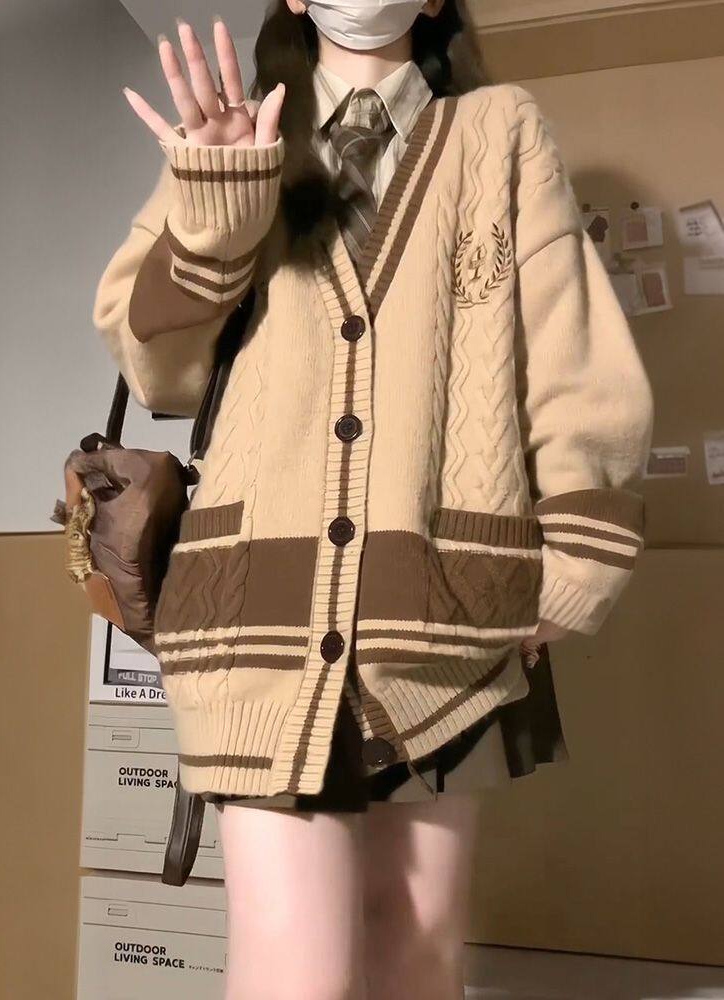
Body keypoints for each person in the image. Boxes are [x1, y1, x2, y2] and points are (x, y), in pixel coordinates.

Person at [92, 2, 654, 997]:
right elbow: (156, 371)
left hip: (450, 609)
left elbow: (570, 354)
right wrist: (220, 206)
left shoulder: (498, 131)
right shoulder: (235, 139)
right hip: (258, 618)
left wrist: (575, 560)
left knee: (418, 954)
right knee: (295, 973)